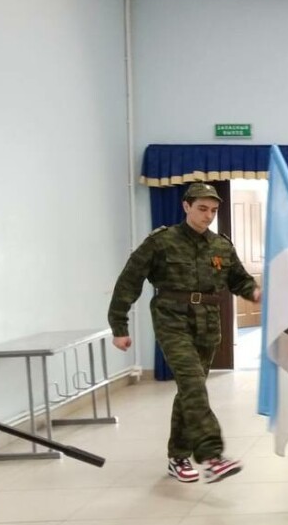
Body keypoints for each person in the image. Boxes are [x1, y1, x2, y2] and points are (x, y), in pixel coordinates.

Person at [107, 183, 258, 484]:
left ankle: (177, 457)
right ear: (186, 206)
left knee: (190, 390)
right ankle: (213, 457)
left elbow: (239, 280)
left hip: (207, 324)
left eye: (213, 210)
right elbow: (129, 281)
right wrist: (119, 326)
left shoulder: (221, 246)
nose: (208, 216)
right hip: (171, 320)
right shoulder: (161, 242)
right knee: (192, 384)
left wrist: (255, 292)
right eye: (202, 209)